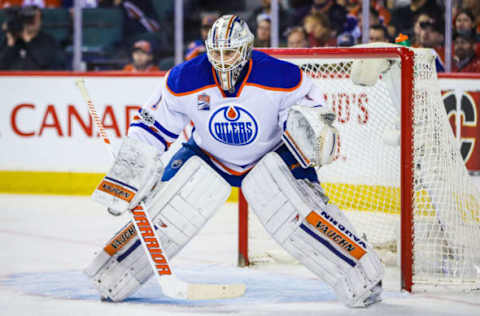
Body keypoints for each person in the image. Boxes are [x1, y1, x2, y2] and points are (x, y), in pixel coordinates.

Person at [85, 14, 384, 308]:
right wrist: (129, 171)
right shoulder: (183, 78)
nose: (222, 59)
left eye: (229, 52)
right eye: (215, 52)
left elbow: (312, 120)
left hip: (271, 152)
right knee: (164, 215)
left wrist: (312, 137)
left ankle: (364, 276)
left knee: (303, 219)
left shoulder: (282, 76)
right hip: (208, 154)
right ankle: (111, 276)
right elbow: (152, 128)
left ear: (247, 48)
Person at [0, 5, 66, 70]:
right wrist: (10, 42)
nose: (30, 21)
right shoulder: (12, 39)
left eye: (34, 18)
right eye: (27, 17)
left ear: (40, 21)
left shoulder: (47, 40)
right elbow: (2, 65)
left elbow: (45, 63)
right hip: (11, 79)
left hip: (37, 79)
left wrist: (27, 40)